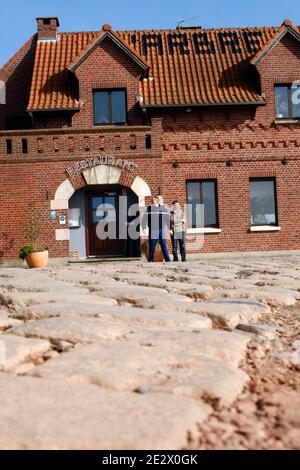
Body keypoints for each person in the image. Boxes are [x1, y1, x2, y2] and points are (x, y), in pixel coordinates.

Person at [142, 196, 171, 262]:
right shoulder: (149, 208)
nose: (152, 201)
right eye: (152, 200)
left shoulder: (163, 208)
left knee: (164, 245)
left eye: (154, 200)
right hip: (152, 229)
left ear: (157, 201)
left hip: (161, 229)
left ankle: (167, 260)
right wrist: (143, 228)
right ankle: (151, 260)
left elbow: (167, 219)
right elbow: (144, 218)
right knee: (152, 245)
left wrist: (170, 229)